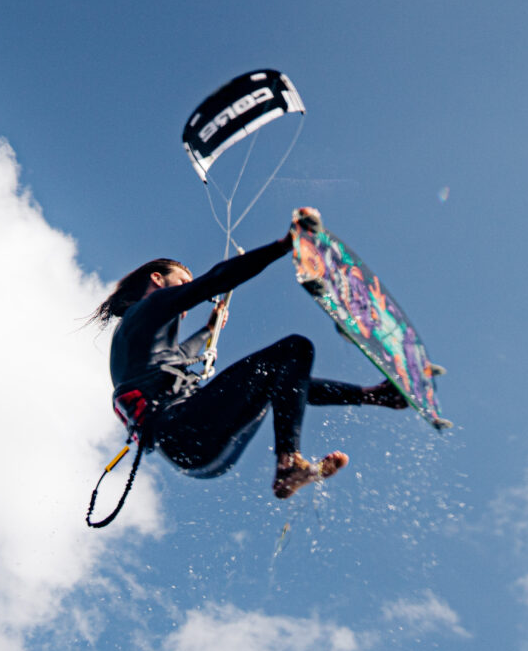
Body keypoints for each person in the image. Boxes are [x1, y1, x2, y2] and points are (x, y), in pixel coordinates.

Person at [95, 208, 408, 499]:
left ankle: (375, 396)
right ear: (157, 279)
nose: (186, 293)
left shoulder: (139, 353)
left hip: (200, 459)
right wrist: (285, 245)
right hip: (182, 429)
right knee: (294, 350)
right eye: (181, 282)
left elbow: (181, 356)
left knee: (280, 377)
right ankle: (288, 461)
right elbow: (213, 281)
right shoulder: (146, 309)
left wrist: (209, 330)